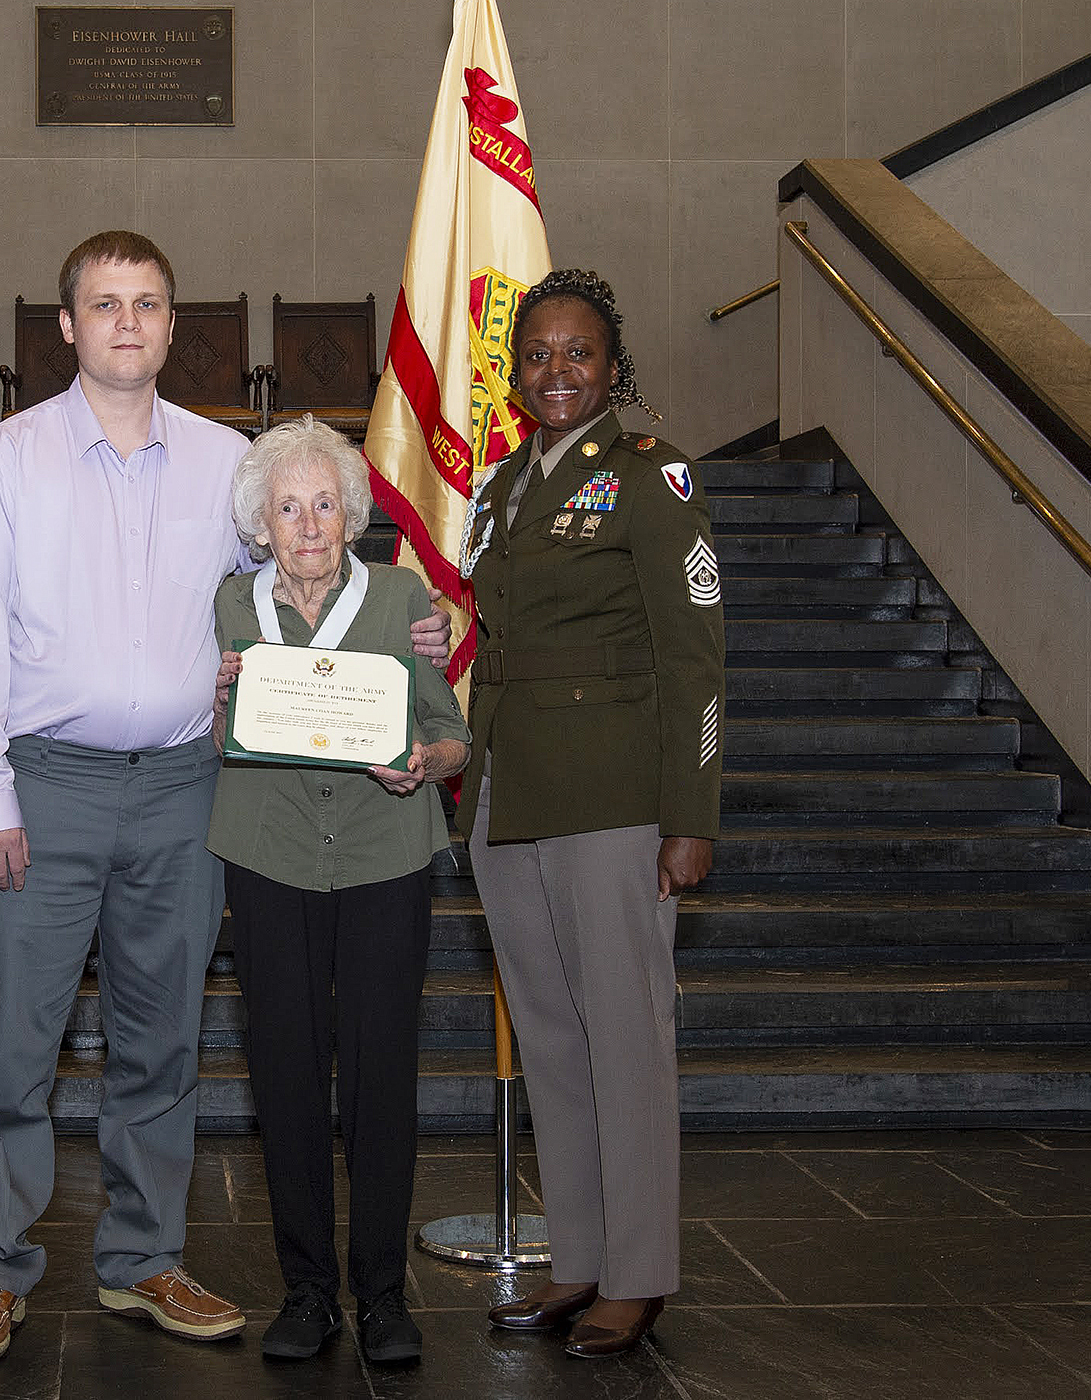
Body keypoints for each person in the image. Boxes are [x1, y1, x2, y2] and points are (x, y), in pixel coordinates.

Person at [0, 232, 451, 1362]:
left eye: (149, 303)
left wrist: (421, 622)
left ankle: (142, 1255)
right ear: (64, 327)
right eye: (104, 303)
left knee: (161, 1041)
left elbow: (321, 563)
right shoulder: (6, 461)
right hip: (45, 786)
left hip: (184, 790)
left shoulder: (231, 466)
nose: (127, 321)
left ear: (173, 326)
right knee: (14, 1043)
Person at [461, 269, 724, 1357]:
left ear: (613, 366)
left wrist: (690, 811)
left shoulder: (649, 474)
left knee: (625, 1036)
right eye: (537, 354)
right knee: (554, 1038)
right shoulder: (502, 484)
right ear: (515, 373)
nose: (556, 370)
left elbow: (693, 651)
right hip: (510, 791)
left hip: (615, 795)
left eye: (578, 353)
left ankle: (641, 1272)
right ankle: (579, 1257)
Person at [206, 417, 469, 1365]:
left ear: (352, 512)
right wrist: (219, 696)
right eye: (288, 507)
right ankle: (308, 1292)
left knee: (379, 1081)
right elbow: (208, 727)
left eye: (325, 503)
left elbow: (452, 734)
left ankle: (385, 1295)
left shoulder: (406, 600)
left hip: (383, 858)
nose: (309, 524)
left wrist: (424, 758)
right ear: (261, 521)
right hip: (269, 857)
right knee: (282, 1074)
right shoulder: (230, 609)